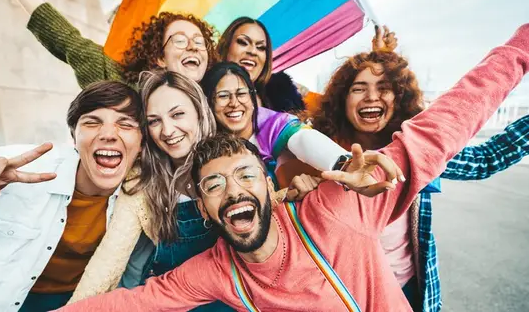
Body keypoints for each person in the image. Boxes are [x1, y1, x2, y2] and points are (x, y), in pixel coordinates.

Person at [55, 23, 529, 312]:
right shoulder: (215, 270)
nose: (233, 191)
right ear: (202, 205)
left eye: (244, 176)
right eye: (214, 185)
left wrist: (522, 45)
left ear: (267, 179)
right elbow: (135, 301)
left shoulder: (343, 202)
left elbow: (450, 120)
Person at [310, 26, 529, 311]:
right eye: (358, 89)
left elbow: (486, 158)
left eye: (385, 88)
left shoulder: (414, 153)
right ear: (342, 100)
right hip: (345, 298)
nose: (371, 97)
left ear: (398, 98)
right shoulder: (318, 155)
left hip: (411, 292)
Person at [0, 81, 144, 312]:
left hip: (87, 302)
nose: (109, 134)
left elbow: (133, 275)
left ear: (142, 143)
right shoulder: (13, 168)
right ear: (74, 137)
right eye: (92, 122)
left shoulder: (144, 197)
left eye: (125, 124)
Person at [3, 0, 217, 88]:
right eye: (179, 40)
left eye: (199, 42)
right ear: (159, 57)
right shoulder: (120, 85)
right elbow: (65, 38)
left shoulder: (218, 97)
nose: (192, 46)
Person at [201, 62, 350, 189]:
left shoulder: (276, 124)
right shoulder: (204, 142)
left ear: (253, 98)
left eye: (241, 94)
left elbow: (302, 138)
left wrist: (344, 164)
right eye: (223, 96)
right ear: (208, 102)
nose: (234, 103)